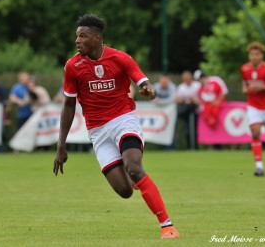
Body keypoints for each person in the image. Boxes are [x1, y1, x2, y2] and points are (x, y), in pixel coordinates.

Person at [53, 14, 179, 239]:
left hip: (123, 120)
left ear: (97, 38)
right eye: (77, 36)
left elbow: (144, 82)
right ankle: (134, 178)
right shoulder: (72, 66)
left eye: (83, 36)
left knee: (134, 167)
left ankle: (167, 226)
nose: (77, 41)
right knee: (125, 191)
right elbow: (69, 105)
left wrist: (149, 90)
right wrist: (60, 145)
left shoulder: (120, 58)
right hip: (97, 131)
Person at [240, 41, 265, 176]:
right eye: (252, 54)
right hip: (253, 106)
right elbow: (244, 87)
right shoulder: (244, 69)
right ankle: (259, 167)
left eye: (257, 54)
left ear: (262, 56)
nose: (254, 57)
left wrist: (263, 87)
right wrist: (247, 90)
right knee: (255, 132)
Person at [175, 70, 200, 149]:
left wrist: (195, 100)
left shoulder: (197, 85)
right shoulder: (181, 87)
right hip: (186, 110)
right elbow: (177, 99)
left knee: (196, 129)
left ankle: (196, 146)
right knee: (187, 129)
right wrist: (182, 100)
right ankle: (189, 145)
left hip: (196, 110)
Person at [153, 74, 177, 150]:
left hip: (170, 114)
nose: (164, 84)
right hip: (159, 115)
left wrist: (160, 102)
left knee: (172, 130)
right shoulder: (155, 87)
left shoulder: (173, 87)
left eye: (165, 82)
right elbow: (152, 97)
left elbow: (172, 99)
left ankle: (172, 148)